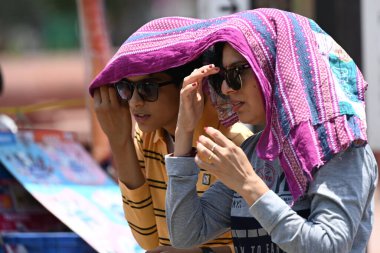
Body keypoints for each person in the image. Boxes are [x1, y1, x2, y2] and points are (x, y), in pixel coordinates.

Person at [164, 8, 378, 253]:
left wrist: (248, 184)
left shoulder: (340, 148)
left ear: (274, 68)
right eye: (220, 77)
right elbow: (186, 233)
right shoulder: (252, 151)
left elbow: (328, 247)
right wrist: (183, 133)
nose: (225, 88)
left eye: (235, 74)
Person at [88, 24, 253, 252]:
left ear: (190, 85)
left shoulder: (230, 142)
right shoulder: (145, 137)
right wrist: (120, 142)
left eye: (148, 87)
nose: (135, 102)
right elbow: (148, 240)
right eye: (126, 88)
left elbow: (255, 242)